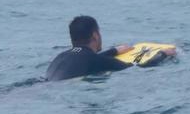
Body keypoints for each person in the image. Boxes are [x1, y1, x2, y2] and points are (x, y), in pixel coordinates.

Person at [44, 16, 174, 82]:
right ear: (95, 35)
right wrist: (162, 54)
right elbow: (137, 67)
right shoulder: (95, 60)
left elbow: (87, 57)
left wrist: (115, 51)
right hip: (62, 89)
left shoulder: (61, 56)